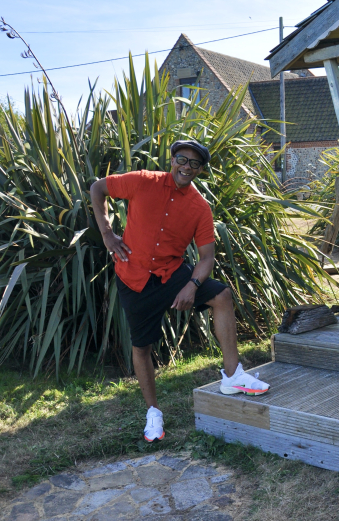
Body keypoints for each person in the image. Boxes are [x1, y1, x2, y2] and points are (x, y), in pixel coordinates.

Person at [90, 140, 269, 443]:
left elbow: (207, 257)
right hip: (132, 277)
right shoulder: (142, 181)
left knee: (222, 296)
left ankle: (232, 375)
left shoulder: (200, 208)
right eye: (182, 160)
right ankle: (153, 413)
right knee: (142, 347)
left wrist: (192, 285)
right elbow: (97, 189)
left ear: (200, 171)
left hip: (172, 274)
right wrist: (107, 233)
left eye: (194, 164)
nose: (187, 167)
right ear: (172, 160)